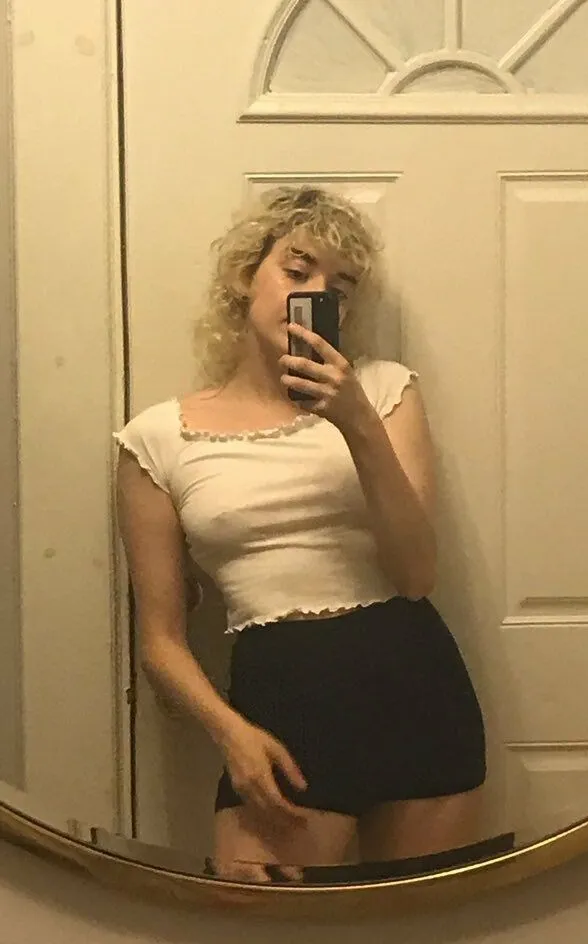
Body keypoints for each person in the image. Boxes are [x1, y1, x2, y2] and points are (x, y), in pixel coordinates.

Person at [114, 185, 487, 879]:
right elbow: (161, 642)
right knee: (257, 921)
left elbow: (416, 575)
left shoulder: (384, 391)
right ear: (243, 276)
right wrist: (231, 734)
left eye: (338, 288)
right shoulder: (157, 439)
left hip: (415, 683)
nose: (317, 294)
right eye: (297, 270)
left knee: (425, 925)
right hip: (281, 702)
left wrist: (354, 420)